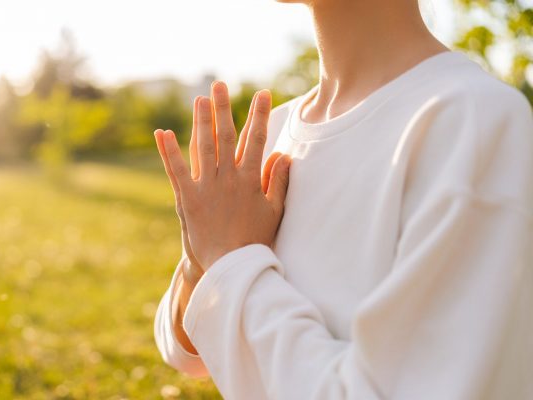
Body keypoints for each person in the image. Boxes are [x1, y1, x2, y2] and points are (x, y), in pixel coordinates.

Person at [151, 0, 533, 398]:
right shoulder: (275, 129)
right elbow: (187, 352)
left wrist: (229, 259)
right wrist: (203, 262)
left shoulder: (471, 120)